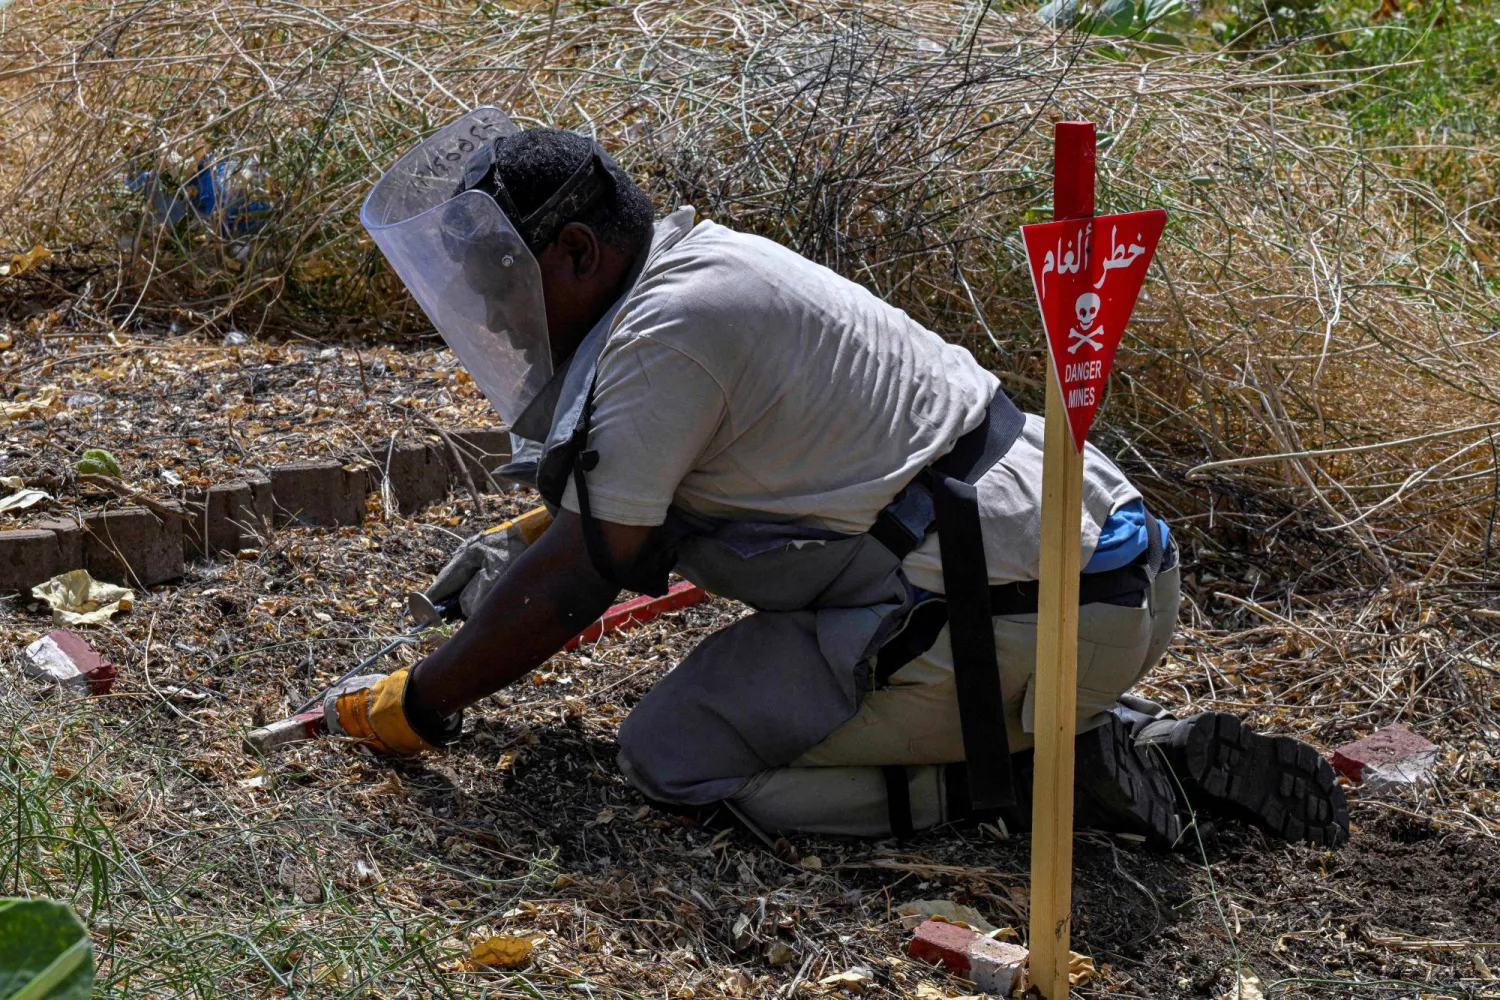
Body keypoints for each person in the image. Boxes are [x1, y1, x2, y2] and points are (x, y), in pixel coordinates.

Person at [341, 109, 1349, 848]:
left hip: (1017, 604)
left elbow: (578, 580)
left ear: (574, 253)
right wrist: (532, 539)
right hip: (1082, 569)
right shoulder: (702, 272)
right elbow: (640, 512)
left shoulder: (666, 339)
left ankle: (1036, 774)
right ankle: (1068, 730)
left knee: (673, 752)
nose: (499, 320)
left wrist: (420, 699)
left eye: (502, 291)